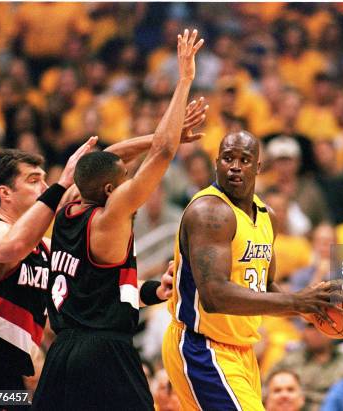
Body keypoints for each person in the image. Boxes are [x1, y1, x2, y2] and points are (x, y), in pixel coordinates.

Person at [31, 28, 203, 411]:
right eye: (124, 181)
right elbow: (163, 152)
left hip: (62, 353)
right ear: (111, 192)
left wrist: (149, 292)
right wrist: (185, 79)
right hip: (104, 351)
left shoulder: (67, 206)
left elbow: (108, 158)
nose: (130, 183)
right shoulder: (108, 220)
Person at [162, 130, 343, 411]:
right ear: (216, 163)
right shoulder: (210, 212)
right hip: (202, 347)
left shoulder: (266, 216)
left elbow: (264, 286)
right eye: (227, 158)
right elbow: (214, 296)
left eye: (244, 160)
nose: (235, 166)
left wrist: (304, 308)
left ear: (259, 166)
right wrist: (296, 300)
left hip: (242, 351)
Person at [0, 139, 94, 405]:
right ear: (5, 193)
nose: (45, 187)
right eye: (34, 179)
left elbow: (96, 286)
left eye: (46, 180)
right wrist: (62, 184)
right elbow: (13, 247)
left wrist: (154, 291)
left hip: (8, 382)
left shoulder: (45, 250)